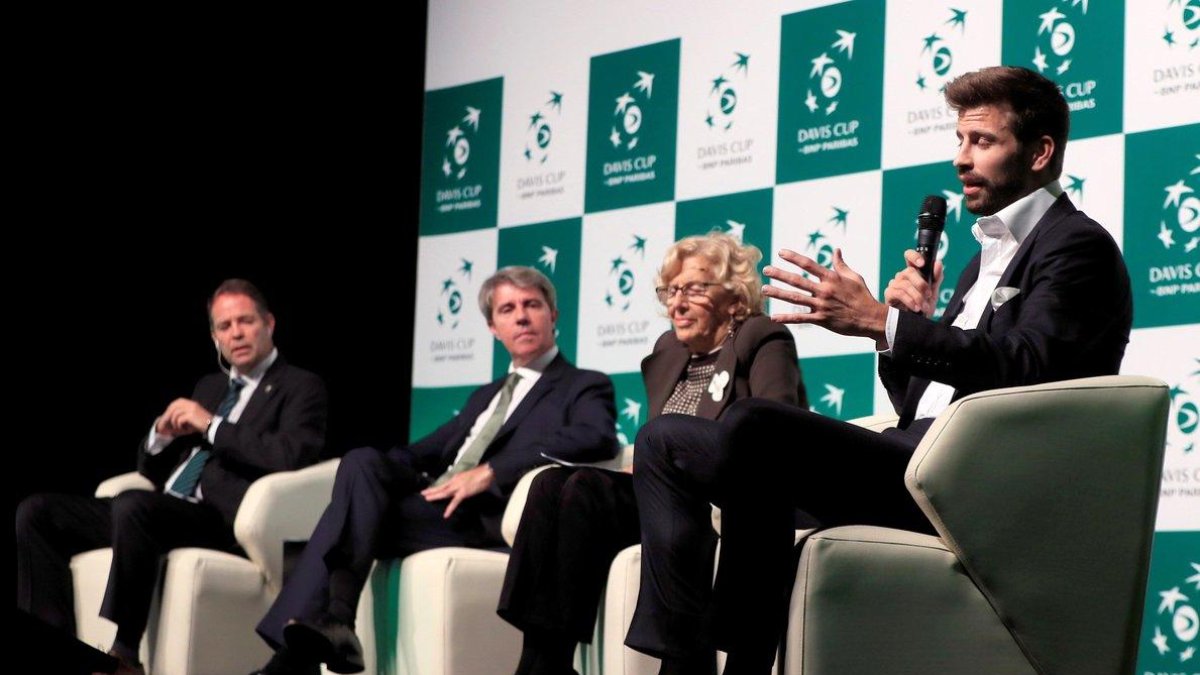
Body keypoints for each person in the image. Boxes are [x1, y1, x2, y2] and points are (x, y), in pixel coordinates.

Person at [624, 65, 1133, 675]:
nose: (961, 160)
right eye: (959, 141)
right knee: (663, 441)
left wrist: (883, 325)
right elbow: (927, 400)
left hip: (969, 484)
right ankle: (686, 659)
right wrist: (904, 337)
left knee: (758, 426)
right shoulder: (980, 262)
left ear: (1040, 151)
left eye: (983, 142)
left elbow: (1027, 368)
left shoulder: (1077, 246)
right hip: (914, 457)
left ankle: (747, 662)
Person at [251, 266, 619, 675]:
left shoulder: (583, 384)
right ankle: (335, 622)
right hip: (435, 507)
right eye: (508, 309)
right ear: (493, 327)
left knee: (347, 517)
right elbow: (423, 452)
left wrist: (493, 471)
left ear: (553, 315)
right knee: (361, 464)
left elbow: (595, 436)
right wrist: (366, 477)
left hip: (484, 518)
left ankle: (295, 655)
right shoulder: (486, 395)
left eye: (532, 305)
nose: (521, 316)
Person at [496, 232, 807, 675]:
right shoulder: (668, 350)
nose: (676, 303)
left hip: (724, 496)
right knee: (551, 484)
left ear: (734, 298)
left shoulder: (761, 336)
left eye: (694, 289)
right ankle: (544, 661)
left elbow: (773, 428)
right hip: (660, 495)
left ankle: (683, 658)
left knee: (588, 482)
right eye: (671, 291)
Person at [16, 279, 330, 675]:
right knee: (38, 512)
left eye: (245, 321)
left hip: (218, 517)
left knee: (134, 507)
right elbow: (152, 472)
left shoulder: (300, 386)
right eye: (225, 326)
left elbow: (289, 455)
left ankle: (124, 655)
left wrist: (211, 425)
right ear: (215, 336)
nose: (236, 333)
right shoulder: (211, 386)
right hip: (159, 509)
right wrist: (161, 437)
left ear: (269, 323)